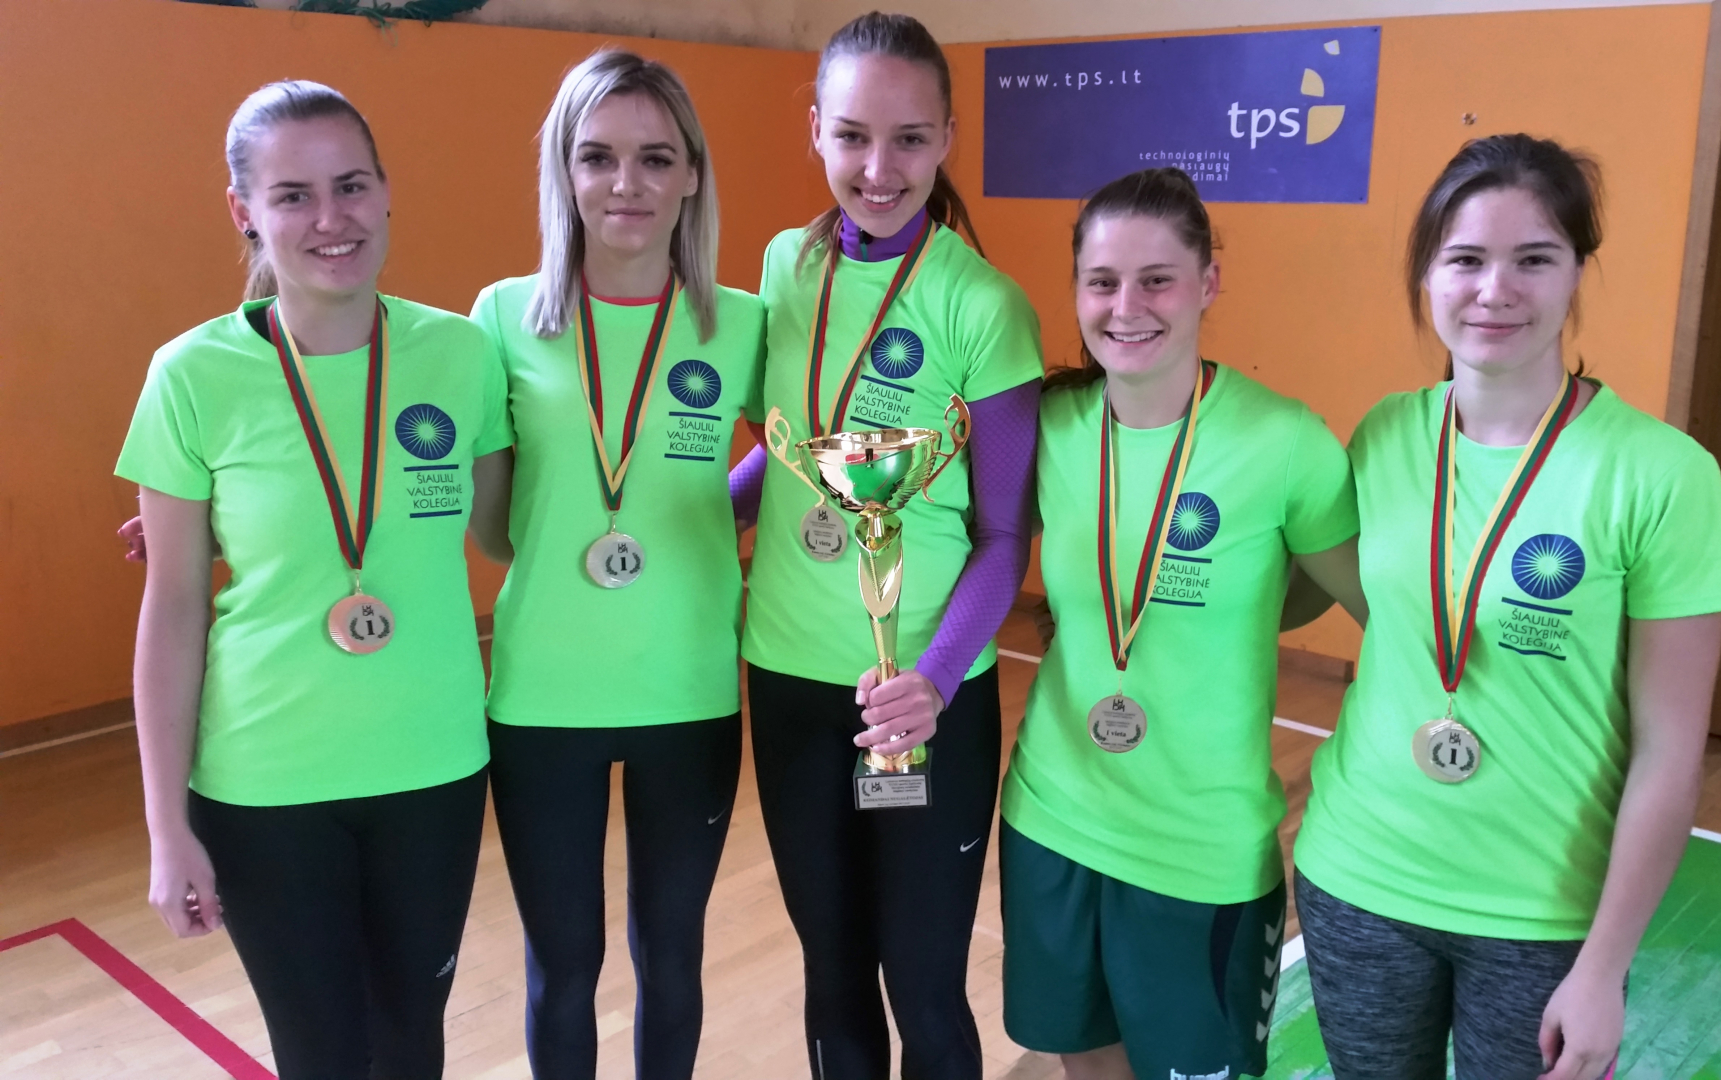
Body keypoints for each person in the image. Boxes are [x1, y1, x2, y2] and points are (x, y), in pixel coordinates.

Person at [1293, 134, 1721, 1080]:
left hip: (1543, 919)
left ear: (1577, 272)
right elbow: (1363, 610)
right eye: (1464, 260)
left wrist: (1601, 967)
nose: (1495, 290)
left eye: (1533, 259)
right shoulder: (1383, 433)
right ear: (1426, 276)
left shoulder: (1664, 476)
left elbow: (1668, 748)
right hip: (1359, 877)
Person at [116, 81, 512, 1079]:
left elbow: (515, 528)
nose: (332, 218)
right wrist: (166, 829)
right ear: (243, 210)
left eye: (351, 185)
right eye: (293, 195)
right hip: (264, 783)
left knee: (410, 1046)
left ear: (386, 190)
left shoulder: (460, 353)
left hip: (432, 768)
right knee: (320, 1055)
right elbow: (172, 610)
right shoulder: (190, 375)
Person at [727, 11, 1043, 1078]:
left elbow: (1002, 534)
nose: (878, 168)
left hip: (919, 702)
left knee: (922, 984)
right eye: (853, 135)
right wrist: (689, 517)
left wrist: (933, 681)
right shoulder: (784, 265)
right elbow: (790, 455)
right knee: (831, 973)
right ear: (814, 128)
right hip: (787, 683)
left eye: (909, 139)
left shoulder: (982, 303)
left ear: (947, 137)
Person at [996, 167, 1364, 1080]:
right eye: (1102, 282)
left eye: (1156, 280)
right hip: (1051, 818)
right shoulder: (1052, 425)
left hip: (1199, 853)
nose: (1126, 307)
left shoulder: (1285, 442)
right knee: (1085, 1064)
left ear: (1207, 282)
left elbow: (1379, 610)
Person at [464, 50, 763, 1080]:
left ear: (691, 174)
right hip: (543, 695)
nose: (626, 184)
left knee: (670, 960)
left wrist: (710, 509)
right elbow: (494, 530)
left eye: (654, 158)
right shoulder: (502, 316)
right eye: (596, 157)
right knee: (563, 967)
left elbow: (801, 452)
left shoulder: (742, 323)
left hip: (688, 689)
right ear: (563, 169)